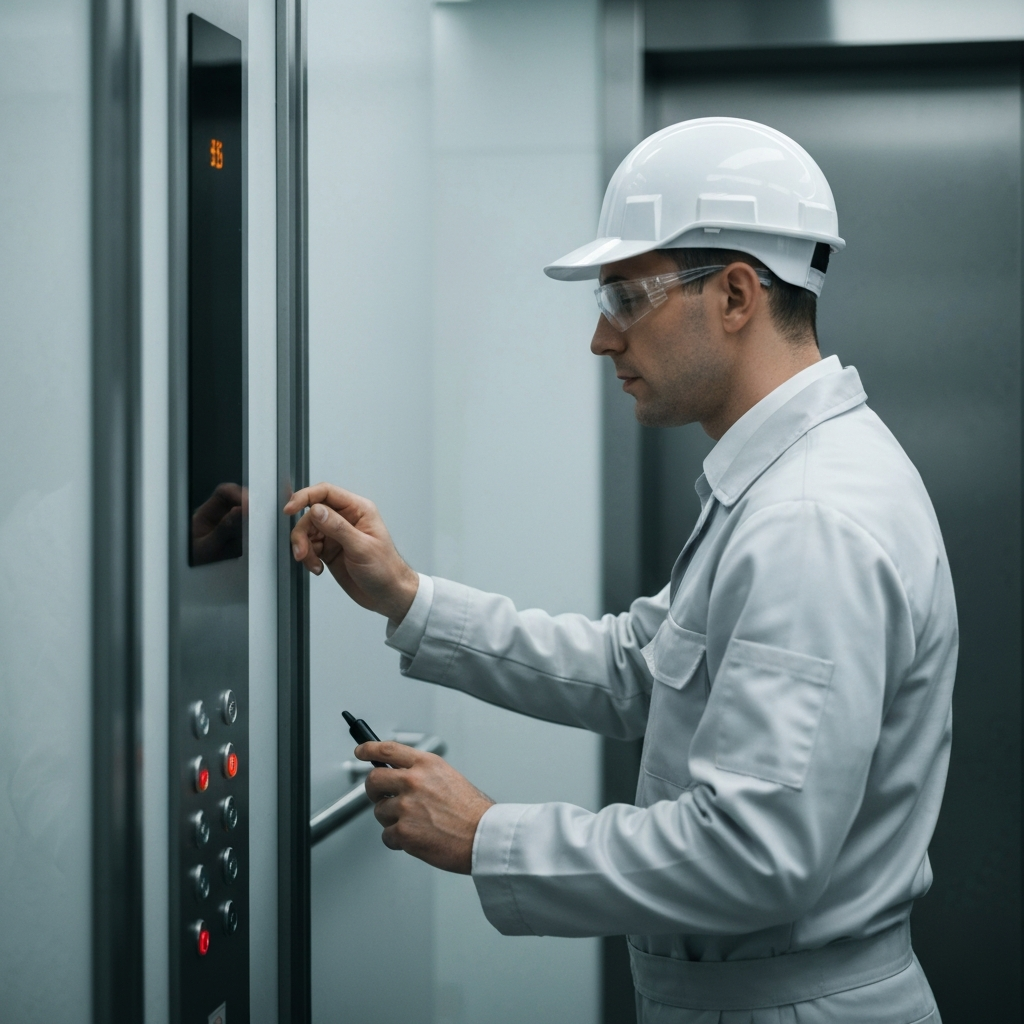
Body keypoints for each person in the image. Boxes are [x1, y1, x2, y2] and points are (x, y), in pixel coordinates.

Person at [285, 118, 956, 1023]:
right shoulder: (779, 486)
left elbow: (754, 856)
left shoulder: (809, 519)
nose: (603, 341)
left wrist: (488, 835)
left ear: (735, 295)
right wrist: (408, 599)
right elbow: (639, 669)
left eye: (628, 299)